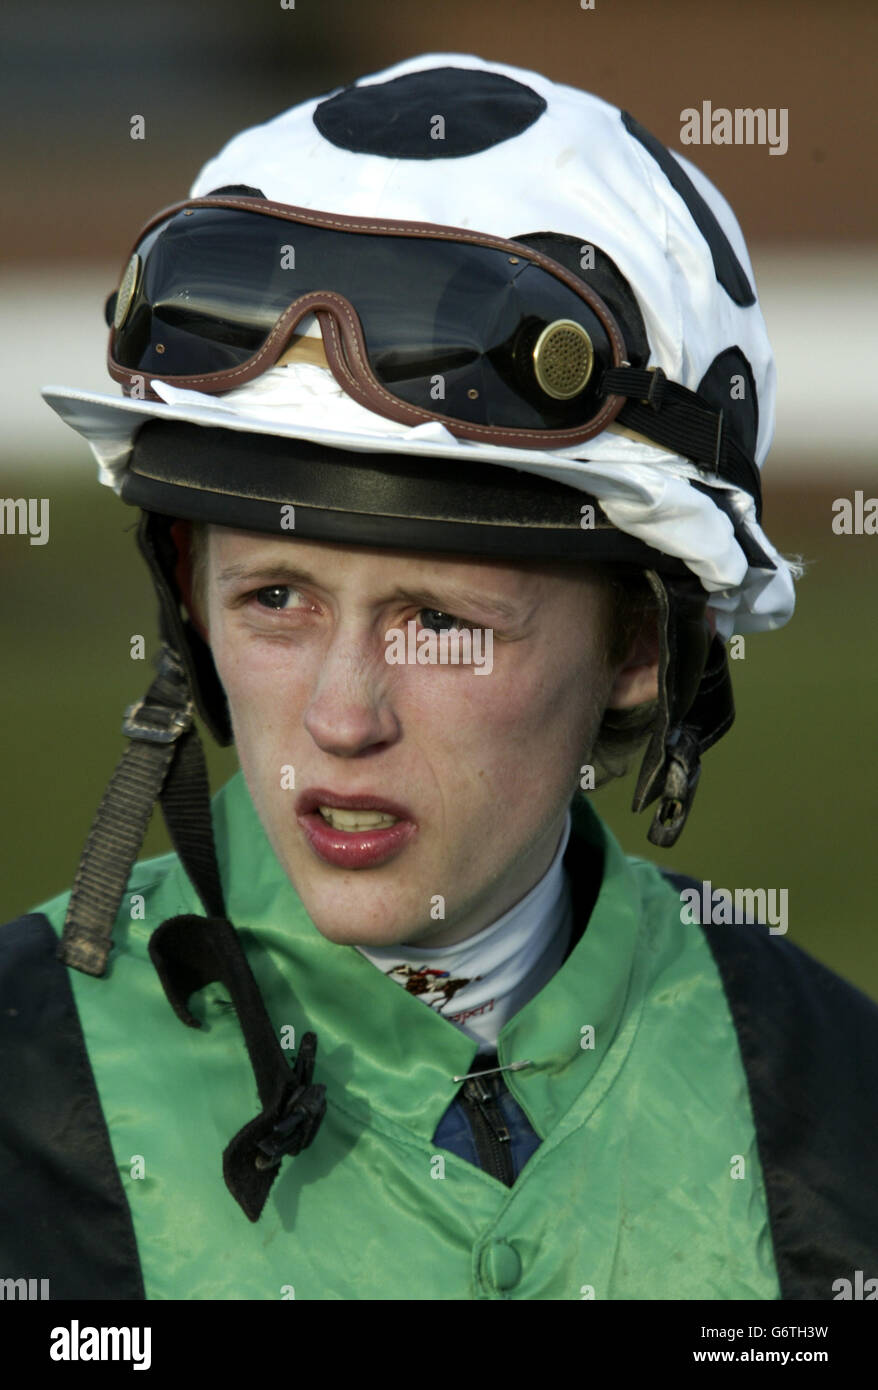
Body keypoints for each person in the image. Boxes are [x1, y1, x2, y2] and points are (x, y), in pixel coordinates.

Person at [2, 52, 876, 1303]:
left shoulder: (840, 1119)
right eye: (275, 599)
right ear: (186, 597)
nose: (338, 718)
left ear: (638, 646)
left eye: (438, 620)